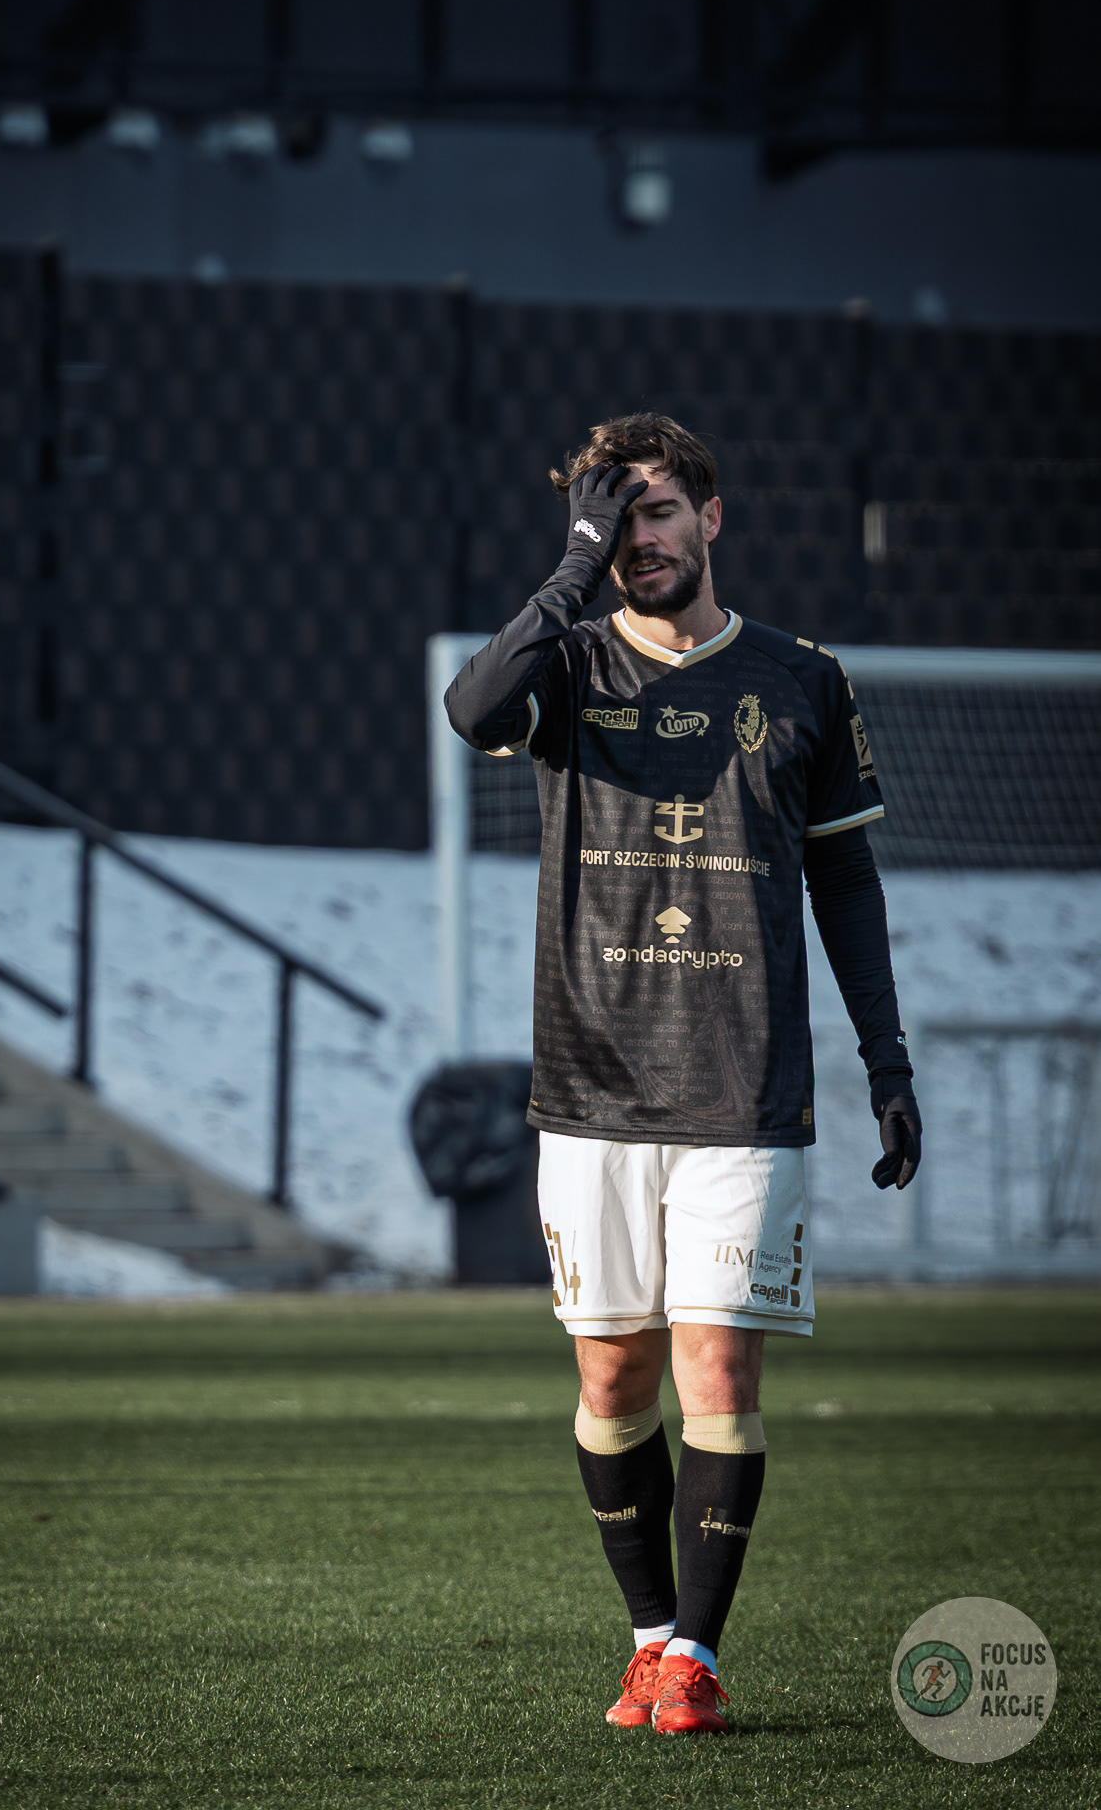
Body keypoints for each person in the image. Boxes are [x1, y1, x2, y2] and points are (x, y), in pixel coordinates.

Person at [444, 412, 922, 1736]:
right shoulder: (565, 663)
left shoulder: (802, 679)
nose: (633, 541)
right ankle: (648, 1637)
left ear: (711, 518)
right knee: (612, 1383)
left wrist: (886, 1059)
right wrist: (569, 569)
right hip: (589, 1091)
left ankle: (697, 1658)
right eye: (611, 519)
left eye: (654, 511)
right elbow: (471, 709)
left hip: (741, 1090)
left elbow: (846, 883)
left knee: (716, 1376)